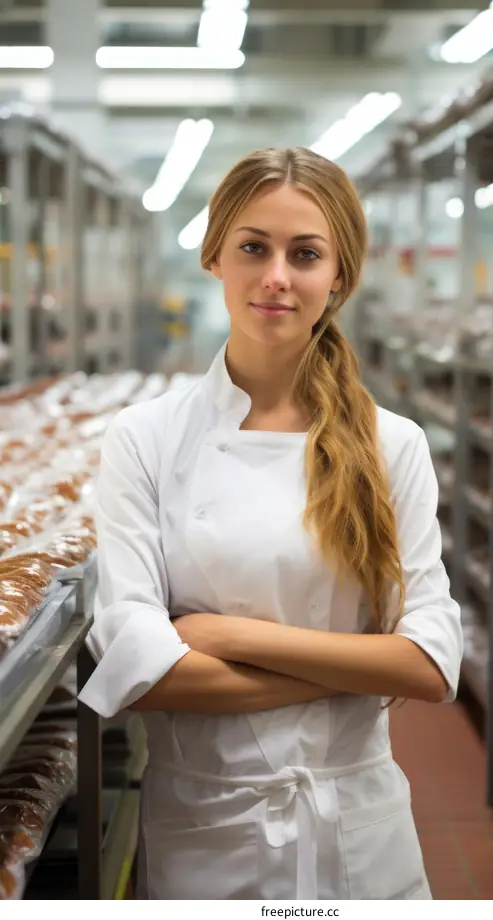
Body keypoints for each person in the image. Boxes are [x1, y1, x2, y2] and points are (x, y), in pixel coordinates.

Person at [78, 146, 463, 900]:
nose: (277, 276)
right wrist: (351, 671)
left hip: (360, 828)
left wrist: (227, 638)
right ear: (214, 256)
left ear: (339, 276)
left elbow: (429, 665)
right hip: (206, 825)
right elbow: (138, 671)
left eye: (306, 254)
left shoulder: (393, 446)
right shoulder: (146, 438)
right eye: (254, 247)